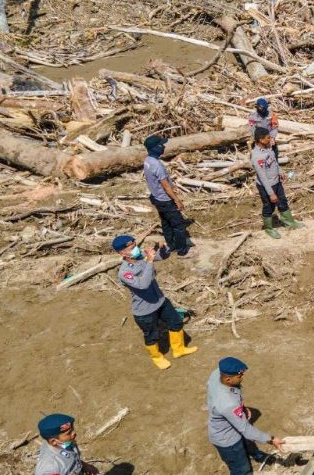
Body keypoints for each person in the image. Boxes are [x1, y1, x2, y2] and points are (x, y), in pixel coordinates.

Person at [113, 234, 197, 370]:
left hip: (160, 301)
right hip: (144, 310)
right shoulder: (124, 272)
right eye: (132, 247)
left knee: (176, 322)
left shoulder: (140, 257)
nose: (136, 249)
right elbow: (143, 284)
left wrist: (163, 248)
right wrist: (150, 261)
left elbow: (162, 256)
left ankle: (179, 349)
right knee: (152, 335)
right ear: (122, 253)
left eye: (136, 245)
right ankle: (157, 357)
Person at [207, 357, 285, 475]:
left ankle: (253, 453)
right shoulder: (227, 403)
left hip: (228, 425)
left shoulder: (217, 374)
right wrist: (271, 439)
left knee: (244, 441)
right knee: (241, 469)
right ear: (228, 379)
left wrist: (240, 409)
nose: (243, 378)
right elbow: (246, 430)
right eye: (240, 376)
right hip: (228, 441)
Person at [143, 135, 192, 259]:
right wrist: (177, 200)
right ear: (154, 148)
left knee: (166, 222)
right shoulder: (157, 166)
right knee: (179, 225)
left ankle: (171, 244)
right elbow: (166, 186)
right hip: (165, 199)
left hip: (156, 198)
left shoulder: (147, 161)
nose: (163, 146)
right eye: (161, 145)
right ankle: (182, 251)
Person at [251, 127, 303, 239]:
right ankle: (269, 229)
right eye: (268, 138)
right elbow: (263, 177)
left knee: (283, 201)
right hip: (266, 186)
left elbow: (274, 163)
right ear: (261, 140)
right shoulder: (257, 156)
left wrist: (281, 172)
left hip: (276, 182)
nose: (270, 139)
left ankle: (290, 223)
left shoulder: (268, 148)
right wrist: (271, 193)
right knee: (269, 207)